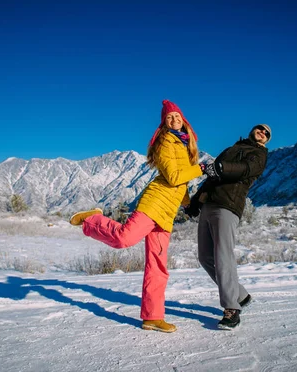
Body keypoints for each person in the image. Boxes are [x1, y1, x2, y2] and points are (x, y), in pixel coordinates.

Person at [69, 99, 203, 333]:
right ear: (164, 123)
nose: (174, 120)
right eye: (169, 117)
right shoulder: (164, 141)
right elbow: (172, 177)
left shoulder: (185, 147)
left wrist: (188, 204)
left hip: (168, 212)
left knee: (157, 266)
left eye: (177, 117)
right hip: (155, 202)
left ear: (184, 122)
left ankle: (153, 317)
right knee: (124, 238)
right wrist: (202, 169)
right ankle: (92, 219)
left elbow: (181, 183)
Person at [185, 124, 271, 330]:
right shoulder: (231, 149)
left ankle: (232, 309)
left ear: (267, 140)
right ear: (252, 130)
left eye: (267, 133)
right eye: (260, 129)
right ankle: (240, 295)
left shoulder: (259, 154)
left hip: (228, 206)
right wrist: (196, 202)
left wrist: (222, 168)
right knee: (205, 257)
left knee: (223, 255)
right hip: (209, 204)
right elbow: (211, 180)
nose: (263, 132)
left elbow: (245, 170)